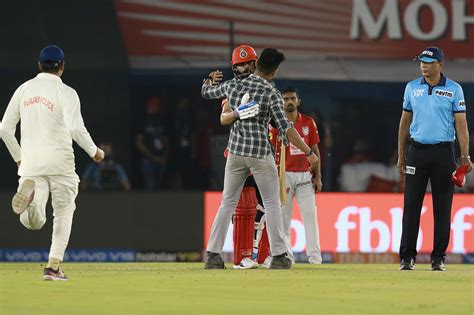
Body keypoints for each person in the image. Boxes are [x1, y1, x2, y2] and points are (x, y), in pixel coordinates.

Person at [201, 48, 318, 269]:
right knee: (273, 203)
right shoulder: (270, 92)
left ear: (255, 65)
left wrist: (209, 80)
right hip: (260, 155)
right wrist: (309, 152)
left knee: (227, 203)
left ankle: (213, 255)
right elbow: (286, 129)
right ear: (273, 71)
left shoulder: (232, 85)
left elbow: (207, 93)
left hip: (235, 153)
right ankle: (279, 255)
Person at [0, 45, 104, 280]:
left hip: (31, 165)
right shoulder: (66, 92)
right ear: (62, 66)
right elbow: (76, 128)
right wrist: (94, 152)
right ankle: (53, 267)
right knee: (63, 213)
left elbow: (5, 129)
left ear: (39, 65)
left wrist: (18, 158)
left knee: (34, 223)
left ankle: (31, 202)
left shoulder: (23, 89)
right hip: (60, 164)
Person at [397, 46, 472, 271]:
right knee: (411, 206)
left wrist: (464, 156)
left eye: (428, 62)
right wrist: (401, 154)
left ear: (440, 64)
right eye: (421, 62)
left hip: (443, 153)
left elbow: (462, 126)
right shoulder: (411, 88)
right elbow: (404, 123)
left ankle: (438, 258)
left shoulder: (454, 89)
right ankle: (407, 257)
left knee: (443, 207)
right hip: (416, 152)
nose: (423, 66)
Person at [269, 87, 323, 264]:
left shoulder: (308, 122)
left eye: (292, 98)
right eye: (285, 99)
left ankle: (315, 258)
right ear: (281, 102)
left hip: (304, 177)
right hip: (283, 177)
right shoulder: (276, 125)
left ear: (298, 101)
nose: (289, 101)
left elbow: (315, 151)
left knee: (310, 217)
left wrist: (318, 177)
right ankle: (288, 257)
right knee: (284, 221)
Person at [135, 96, 168, 191]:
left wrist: (164, 156)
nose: (156, 107)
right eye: (154, 105)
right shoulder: (143, 120)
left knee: (159, 187)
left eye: (157, 106)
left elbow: (166, 141)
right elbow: (139, 143)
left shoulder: (161, 120)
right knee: (150, 186)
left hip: (161, 158)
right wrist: (152, 157)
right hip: (148, 160)